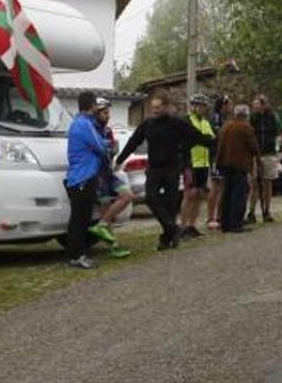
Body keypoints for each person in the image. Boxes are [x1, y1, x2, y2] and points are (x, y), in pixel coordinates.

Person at [117, 91, 214, 251]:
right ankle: (173, 228)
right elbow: (133, 142)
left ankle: (167, 239)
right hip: (154, 169)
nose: (155, 110)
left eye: (158, 107)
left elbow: (197, 136)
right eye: (153, 107)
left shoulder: (176, 123)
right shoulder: (147, 124)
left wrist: (215, 144)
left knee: (170, 205)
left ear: (166, 107)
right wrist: (120, 159)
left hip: (172, 169)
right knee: (151, 198)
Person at [64, 91, 110, 270]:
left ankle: (77, 254)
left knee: (80, 218)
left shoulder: (79, 123)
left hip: (80, 177)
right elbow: (99, 145)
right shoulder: (84, 123)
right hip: (83, 177)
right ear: (92, 105)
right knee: (80, 219)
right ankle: (78, 256)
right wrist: (109, 146)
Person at [90, 98, 132, 259]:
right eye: (105, 113)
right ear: (97, 113)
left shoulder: (107, 130)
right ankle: (113, 246)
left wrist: (113, 151)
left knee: (127, 195)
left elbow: (111, 148)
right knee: (106, 211)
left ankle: (101, 225)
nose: (108, 116)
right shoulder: (91, 128)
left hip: (108, 172)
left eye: (109, 113)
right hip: (97, 174)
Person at [216, 104, 259, 233]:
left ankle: (225, 223)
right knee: (239, 194)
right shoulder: (246, 127)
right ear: (246, 115)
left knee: (227, 193)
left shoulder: (225, 126)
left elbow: (220, 145)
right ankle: (236, 223)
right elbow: (254, 146)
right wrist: (258, 159)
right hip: (240, 164)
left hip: (224, 163)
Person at [179, 94, 217, 238]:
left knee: (199, 194)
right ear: (193, 107)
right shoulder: (187, 121)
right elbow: (190, 140)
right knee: (189, 194)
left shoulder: (206, 123)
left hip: (204, 162)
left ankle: (191, 225)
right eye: (199, 106)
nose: (201, 108)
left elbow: (212, 140)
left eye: (203, 106)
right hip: (191, 162)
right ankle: (182, 226)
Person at [247, 95, 282, 224]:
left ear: (264, 105)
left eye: (257, 105)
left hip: (269, 153)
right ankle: (251, 212)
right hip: (255, 154)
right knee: (254, 184)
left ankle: (266, 211)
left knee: (267, 183)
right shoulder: (252, 118)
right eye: (254, 106)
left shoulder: (273, 117)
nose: (255, 108)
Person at [207, 96, 233, 230]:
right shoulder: (215, 118)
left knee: (223, 186)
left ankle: (220, 216)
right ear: (223, 105)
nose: (230, 107)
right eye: (228, 105)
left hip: (224, 156)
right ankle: (211, 217)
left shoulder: (224, 118)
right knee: (216, 186)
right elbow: (217, 136)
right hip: (216, 156)